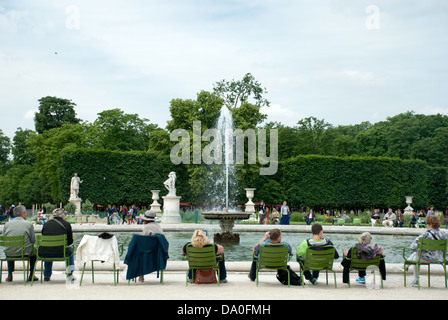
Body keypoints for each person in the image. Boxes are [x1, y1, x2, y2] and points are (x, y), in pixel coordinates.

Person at [399, 215, 447, 287]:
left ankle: (415, 278)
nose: (426, 225)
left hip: (426, 258)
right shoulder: (444, 234)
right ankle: (405, 267)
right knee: (416, 254)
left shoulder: (425, 234)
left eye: (427, 224)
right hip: (438, 258)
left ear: (430, 225)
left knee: (416, 256)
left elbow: (413, 247)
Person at [2, 205, 37, 282]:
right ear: (22, 214)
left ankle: (10, 274)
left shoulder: (7, 224)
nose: (27, 214)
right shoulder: (28, 224)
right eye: (25, 213)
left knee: (10, 247)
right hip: (24, 252)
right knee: (34, 254)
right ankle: (31, 275)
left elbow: (4, 239)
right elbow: (33, 241)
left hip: (9, 252)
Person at [39, 208, 75, 281]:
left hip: (46, 253)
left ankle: (47, 274)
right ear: (62, 216)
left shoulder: (46, 224)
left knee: (48, 247)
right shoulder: (67, 224)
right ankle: (69, 274)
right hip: (62, 253)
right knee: (71, 250)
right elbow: (70, 242)